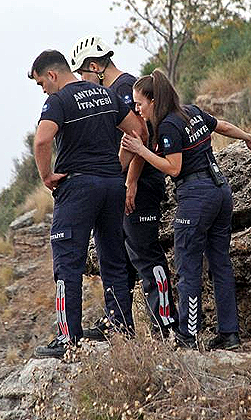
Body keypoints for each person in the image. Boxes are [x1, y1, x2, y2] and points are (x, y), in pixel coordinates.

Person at [121, 69, 251, 350]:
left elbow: (173, 167)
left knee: (188, 268)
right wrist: (247, 136)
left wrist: (140, 150)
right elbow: (221, 126)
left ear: (152, 100)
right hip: (220, 191)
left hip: (196, 196)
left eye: (139, 103)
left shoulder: (169, 126)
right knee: (220, 264)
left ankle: (188, 336)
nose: (137, 109)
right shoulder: (191, 112)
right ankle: (229, 334)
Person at [28, 49, 145, 358]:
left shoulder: (59, 100)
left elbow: (41, 140)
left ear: (52, 75)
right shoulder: (106, 95)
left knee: (68, 262)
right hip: (111, 186)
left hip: (77, 186)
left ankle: (69, 339)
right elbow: (139, 130)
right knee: (113, 260)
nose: (43, 90)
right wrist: (117, 166)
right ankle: (122, 329)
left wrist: (46, 176)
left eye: (41, 83)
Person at [68, 35, 179, 339]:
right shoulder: (116, 90)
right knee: (124, 257)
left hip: (141, 186)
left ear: (95, 66)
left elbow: (141, 137)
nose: (82, 80)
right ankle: (118, 322)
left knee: (145, 254)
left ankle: (168, 326)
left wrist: (125, 178)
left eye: (83, 73)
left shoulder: (123, 89)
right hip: (125, 186)